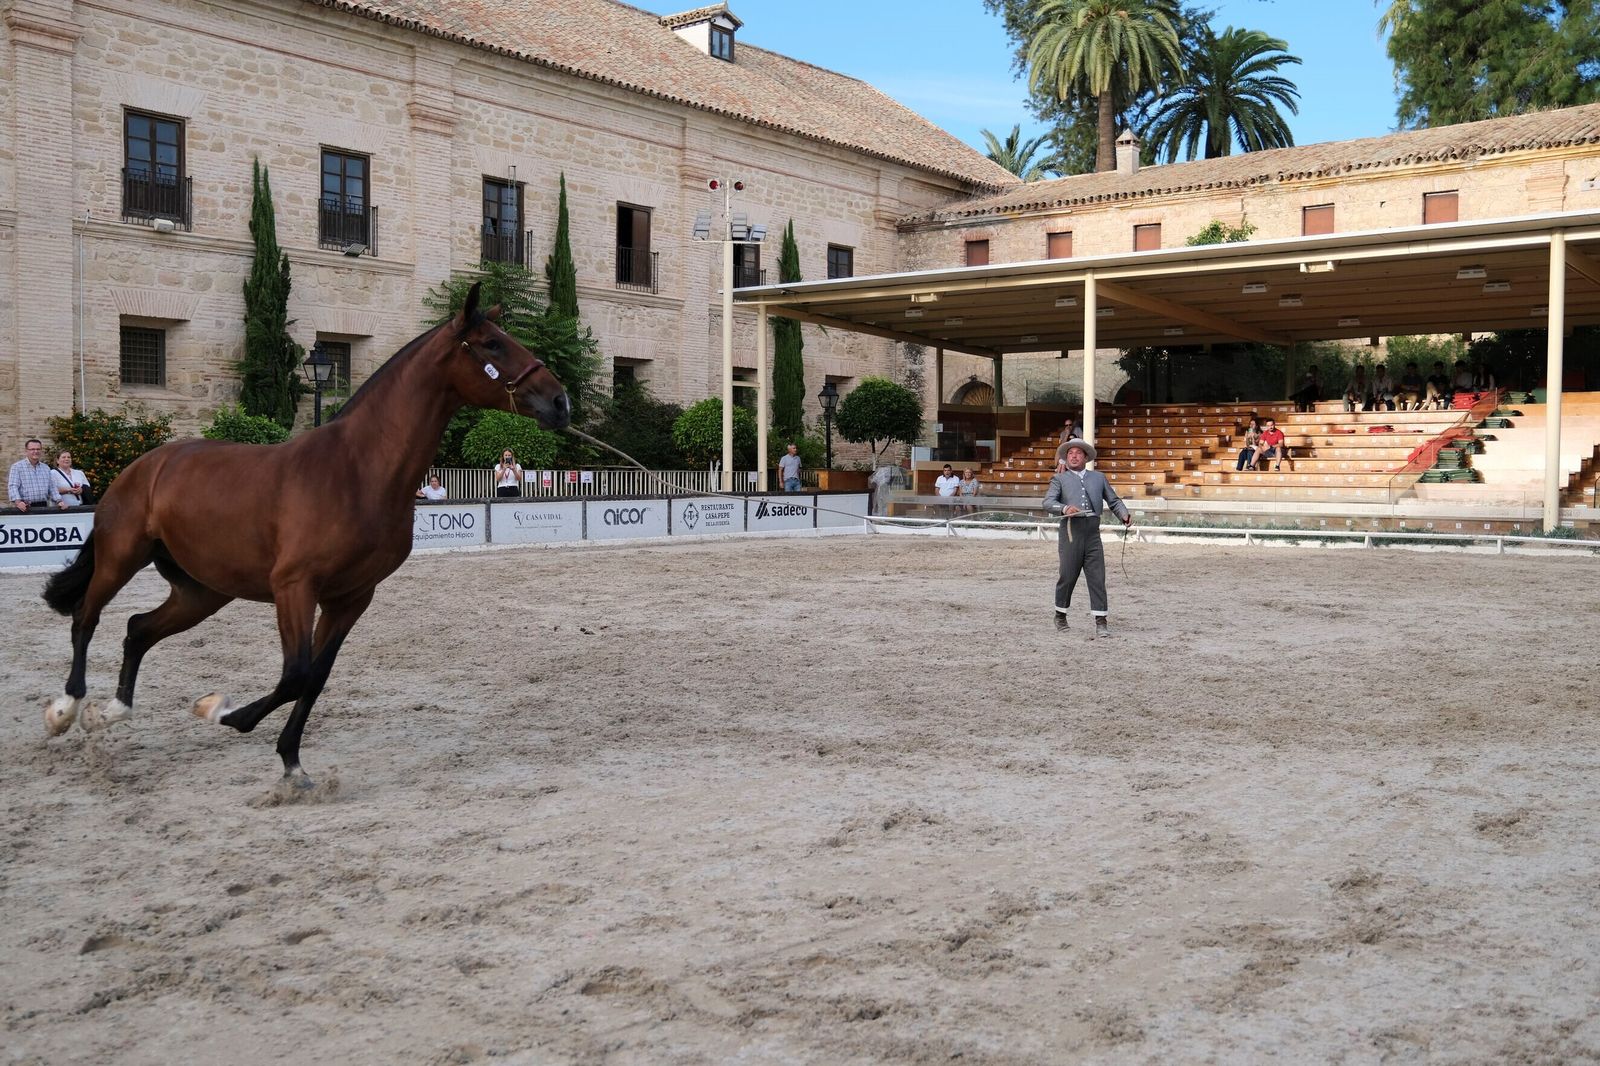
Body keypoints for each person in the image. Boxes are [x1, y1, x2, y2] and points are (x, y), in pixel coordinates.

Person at [1043, 438, 1131, 638]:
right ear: (1067, 457)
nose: (1073, 456)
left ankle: (1101, 621)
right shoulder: (1059, 479)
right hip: (1070, 532)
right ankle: (1060, 615)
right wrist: (1065, 508)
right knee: (1067, 576)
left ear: (1085, 457)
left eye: (1078, 453)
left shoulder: (1098, 477)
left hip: (1092, 532)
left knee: (1097, 577)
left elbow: (1114, 500)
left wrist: (1124, 515)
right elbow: (1048, 502)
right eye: (1070, 453)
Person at [8, 438, 64, 511]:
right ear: (26, 451)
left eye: (38, 449)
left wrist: (59, 501)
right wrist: (18, 502)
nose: (36, 451)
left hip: (43, 506)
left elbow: (52, 487)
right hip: (24, 507)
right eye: (32, 449)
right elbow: (13, 486)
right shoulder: (17, 467)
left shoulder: (46, 468)